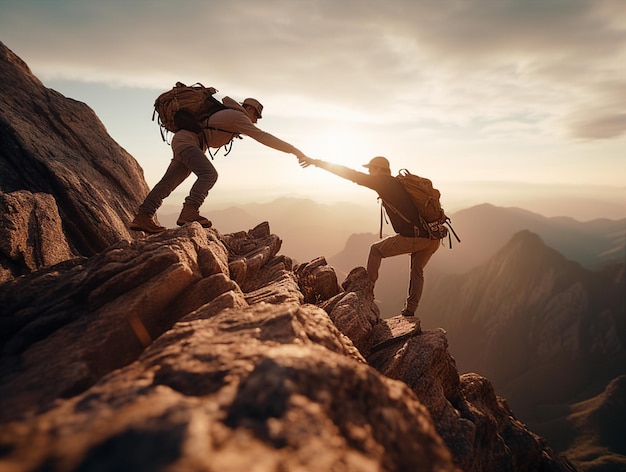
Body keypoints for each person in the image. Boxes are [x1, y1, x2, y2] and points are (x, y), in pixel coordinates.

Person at [131, 97, 310, 233]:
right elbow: (263, 137)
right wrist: (294, 150)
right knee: (209, 174)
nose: (255, 120)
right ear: (247, 108)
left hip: (184, 142)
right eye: (256, 114)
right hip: (188, 143)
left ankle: (143, 216)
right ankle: (189, 211)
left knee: (168, 183)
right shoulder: (237, 116)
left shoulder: (231, 116)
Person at [300, 155, 441, 317]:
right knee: (417, 271)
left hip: (415, 238)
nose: (368, 172)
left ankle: (366, 292)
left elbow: (351, 175)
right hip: (432, 236)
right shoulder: (398, 183)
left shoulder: (384, 182)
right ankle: (410, 311)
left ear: (379, 170)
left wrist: (317, 162)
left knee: (375, 250)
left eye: (370, 169)